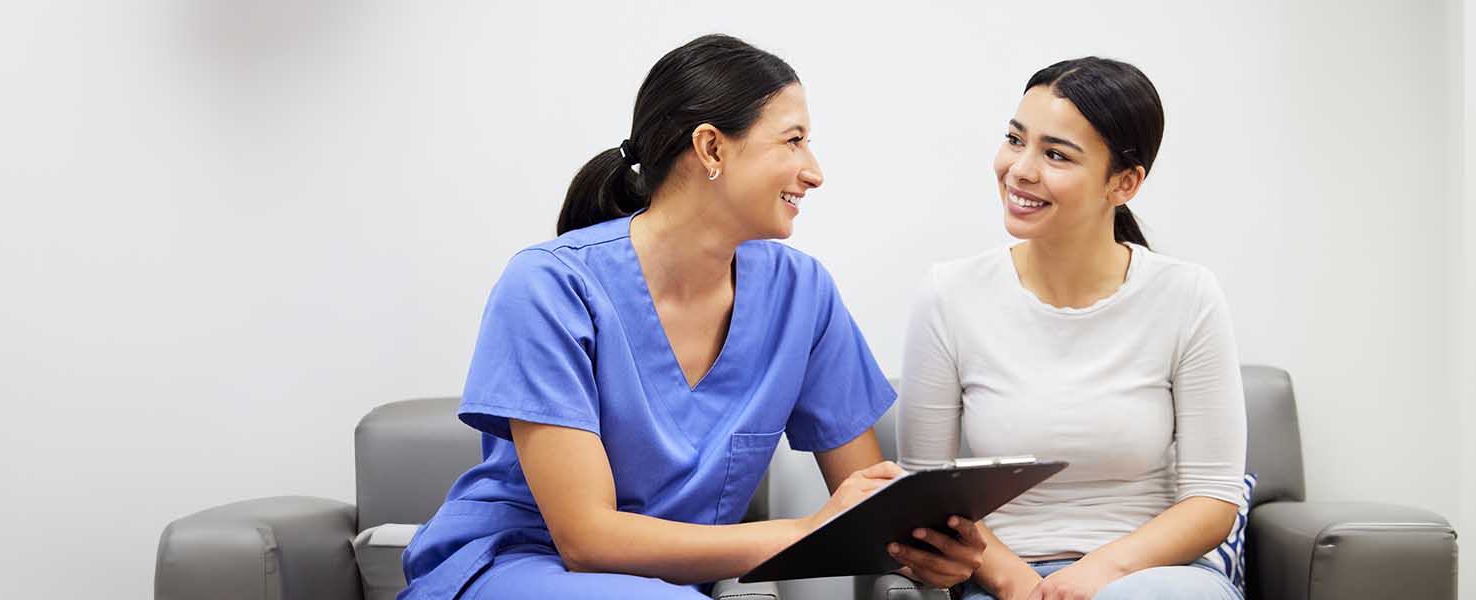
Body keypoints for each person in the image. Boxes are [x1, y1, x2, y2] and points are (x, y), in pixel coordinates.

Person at [397, 34, 986, 600]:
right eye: (793, 140)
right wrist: (806, 531)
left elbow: (866, 505)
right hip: (520, 565)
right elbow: (584, 540)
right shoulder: (551, 286)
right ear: (711, 148)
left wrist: (924, 549)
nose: (814, 171)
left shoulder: (800, 292)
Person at [895, 57, 1248, 600]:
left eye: (1055, 154)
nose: (1020, 169)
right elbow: (926, 494)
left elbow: (1212, 500)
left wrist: (1098, 575)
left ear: (1124, 183)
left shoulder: (1187, 296)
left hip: (1151, 580)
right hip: (1003, 579)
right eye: (1016, 140)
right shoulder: (950, 295)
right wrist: (1021, 586)